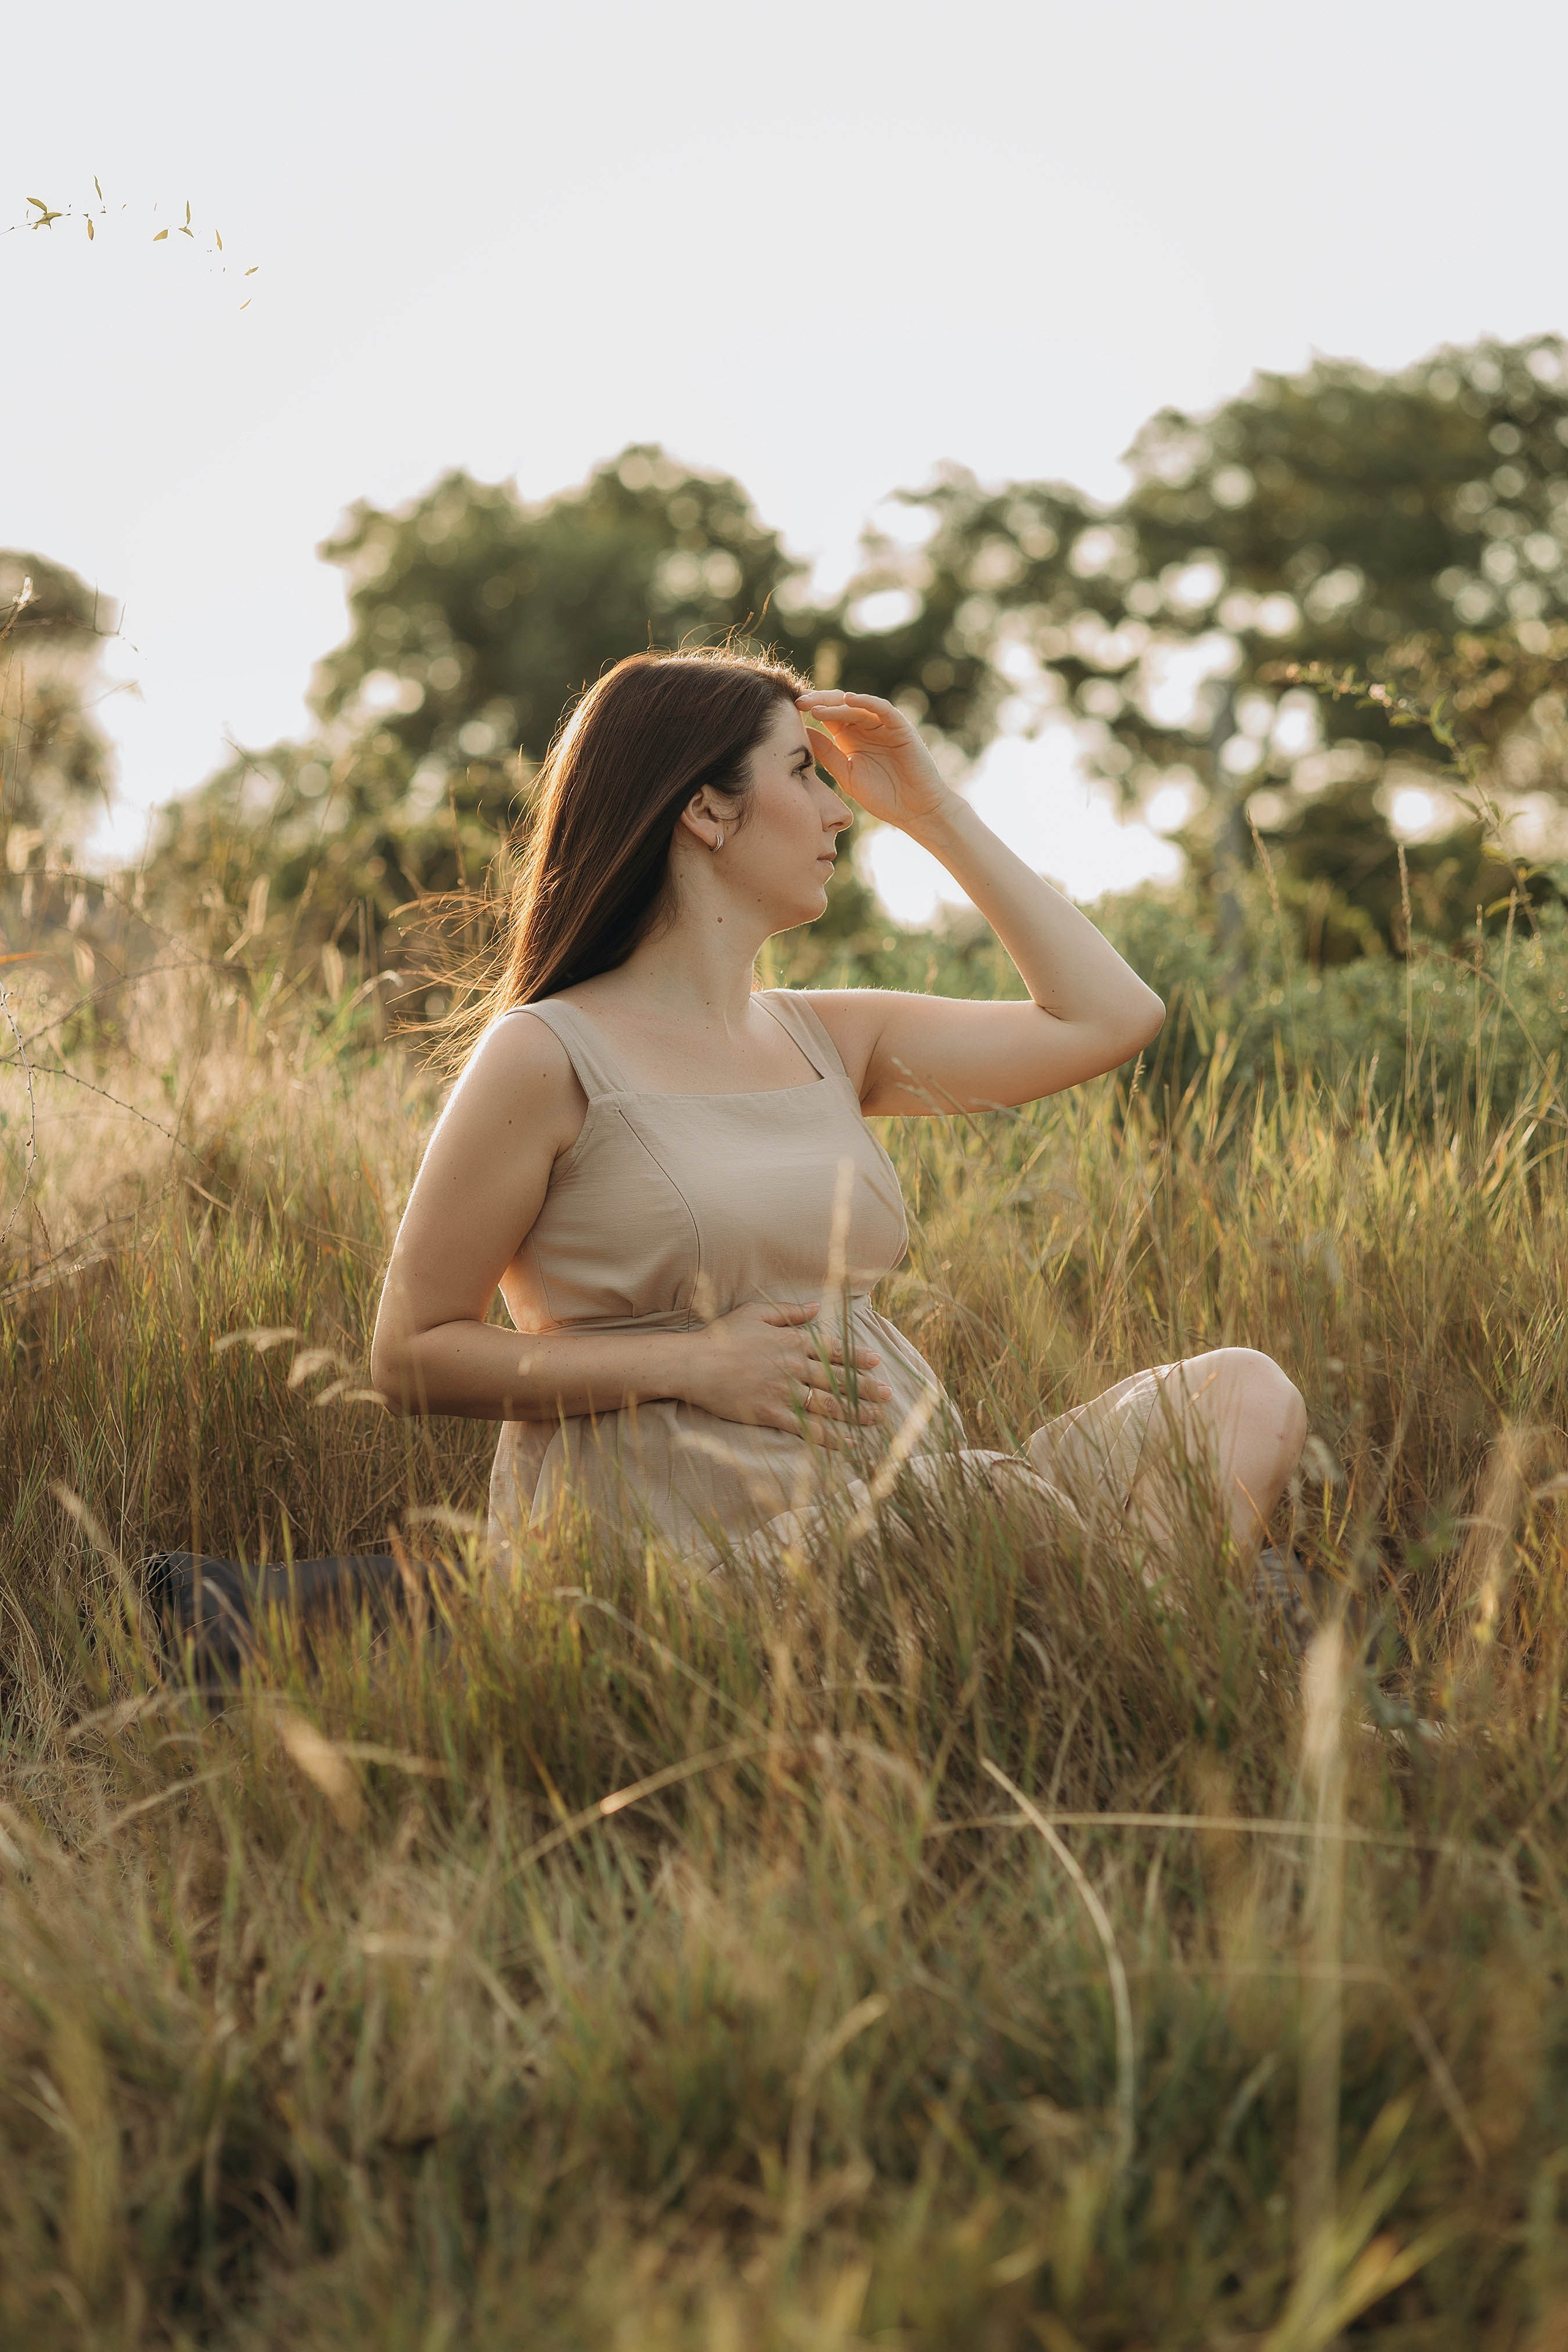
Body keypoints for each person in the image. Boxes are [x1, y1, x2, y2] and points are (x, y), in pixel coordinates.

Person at [369, 648, 1307, 1581]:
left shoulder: (828, 1036)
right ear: (705, 809)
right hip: (685, 1560)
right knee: (995, 1502)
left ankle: (1125, 1633)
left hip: (915, 1513)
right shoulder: (547, 1053)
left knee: (1241, 1392)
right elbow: (412, 1355)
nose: (838, 811)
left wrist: (933, 813)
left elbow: (1112, 1017)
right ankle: (1131, 1632)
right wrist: (690, 1362)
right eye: (803, 771)